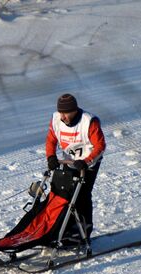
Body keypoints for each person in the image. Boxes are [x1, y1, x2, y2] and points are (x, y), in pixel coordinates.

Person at [45, 93, 106, 237]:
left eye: (65, 113)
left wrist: (86, 161)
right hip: (69, 160)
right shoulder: (56, 119)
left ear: (74, 110)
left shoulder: (89, 121)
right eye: (60, 112)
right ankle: (64, 228)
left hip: (89, 163)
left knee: (82, 195)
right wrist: (51, 157)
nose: (62, 117)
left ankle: (84, 231)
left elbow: (100, 146)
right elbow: (51, 139)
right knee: (64, 194)